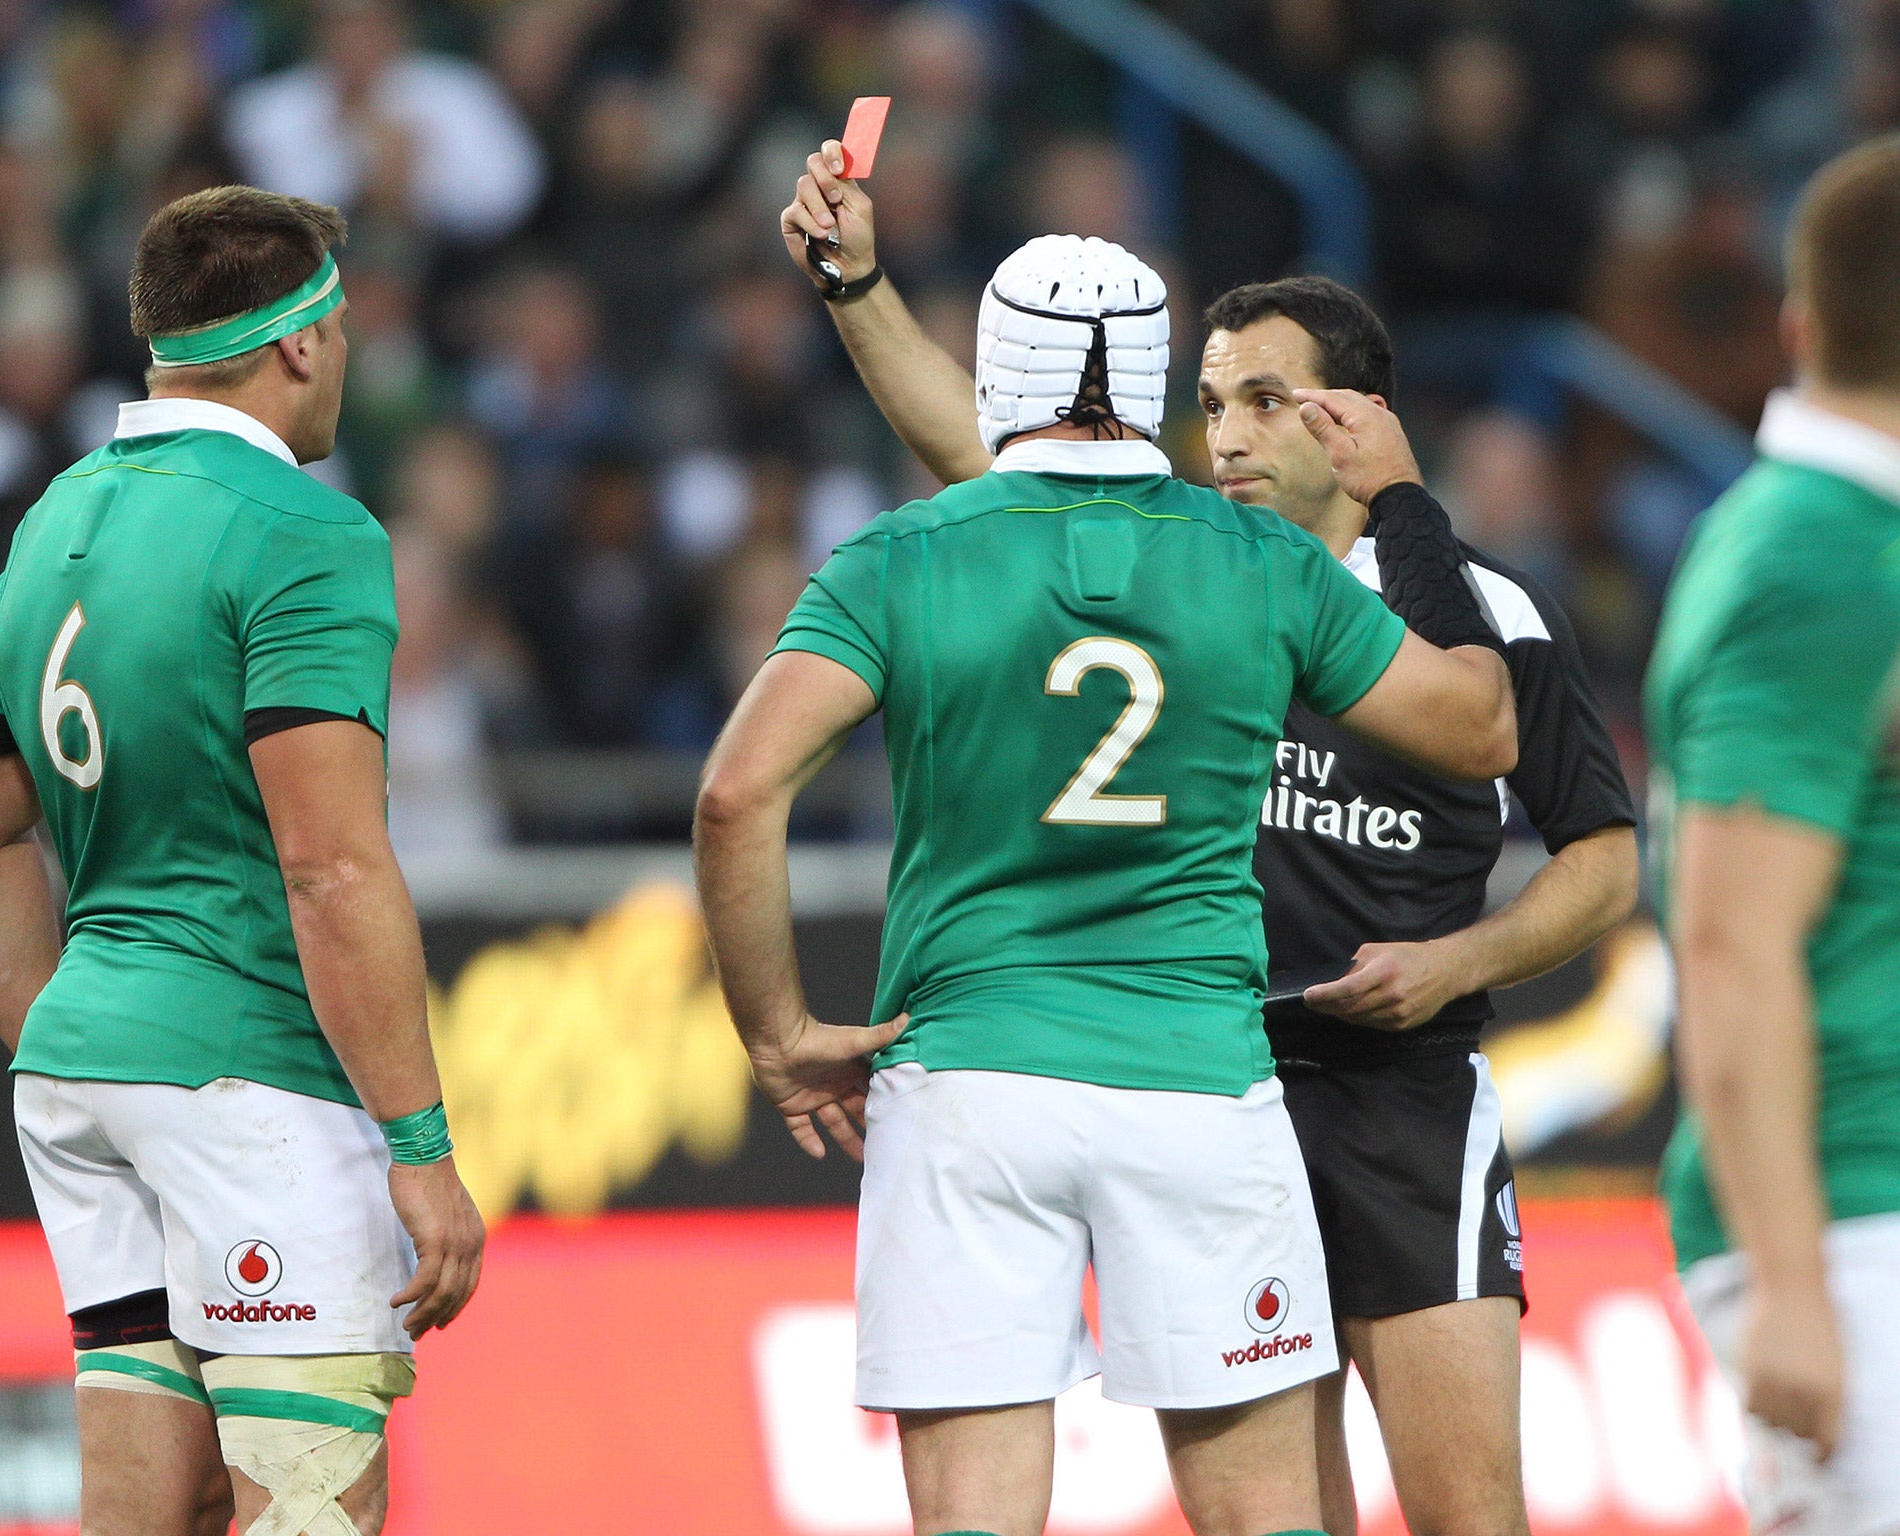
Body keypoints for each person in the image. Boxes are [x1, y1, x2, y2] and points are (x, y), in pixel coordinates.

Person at [778, 143, 1640, 1536]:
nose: (1225, 434)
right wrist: (861, 287)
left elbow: (1602, 857)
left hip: (1400, 1095)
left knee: (1472, 1517)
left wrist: (1455, 960)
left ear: (1354, 419)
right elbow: (984, 449)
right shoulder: (1194, 559)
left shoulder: (1481, 608)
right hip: (1215, 1083)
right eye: (1208, 401)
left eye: (1262, 402)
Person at [0, 185, 485, 1536]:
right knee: (306, 1508)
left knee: (145, 1508)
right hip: (249, 1081)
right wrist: (420, 1145)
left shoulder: (59, 517)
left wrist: (78, 1028)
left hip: (81, 1078)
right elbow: (332, 868)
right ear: (302, 342)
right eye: (340, 327)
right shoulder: (306, 533)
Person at [1649, 134, 1900, 1536]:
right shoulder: (1817, 558)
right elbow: (1730, 940)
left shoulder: (1845, 543)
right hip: (1857, 1232)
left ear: (1806, 326)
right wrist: (1795, 1290)